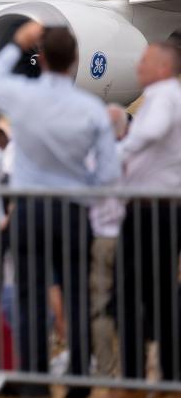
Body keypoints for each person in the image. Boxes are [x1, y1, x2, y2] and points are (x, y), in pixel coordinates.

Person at [0, 22, 118, 397]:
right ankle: (79, 378)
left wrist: (15, 44)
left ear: (40, 60)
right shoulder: (90, 108)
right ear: (75, 59)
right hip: (72, 211)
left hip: (29, 210)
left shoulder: (26, 96)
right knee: (77, 294)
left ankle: (35, 380)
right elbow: (107, 173)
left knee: (30, 296)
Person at [115, 42, 181, 391]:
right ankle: (164, 370)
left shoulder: (162, 96)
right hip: (160, 209)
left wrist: (118, 152)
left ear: (161, 68)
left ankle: (136, 373)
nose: (138, 66)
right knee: (157, 293)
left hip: (150, 211)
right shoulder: (169, 95)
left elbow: (151, 132)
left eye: (144, 61)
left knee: (136, 294)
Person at [87, 105, 129, 381]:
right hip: (133, 237)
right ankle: (138, 367)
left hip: (100, 237)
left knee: (100, 307)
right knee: (137, 303)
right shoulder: (136, 154)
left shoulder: (90, 158)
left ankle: (104, 369)